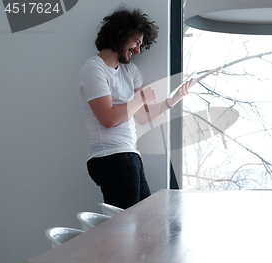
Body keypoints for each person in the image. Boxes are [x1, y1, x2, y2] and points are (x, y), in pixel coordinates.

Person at [78, 6, 193, 209]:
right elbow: (109, 119)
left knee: (143, 222)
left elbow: (142, 116)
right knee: (126, 230)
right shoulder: (93, 69)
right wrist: (141, 98)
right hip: (110, 158)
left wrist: (175, 99)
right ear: (121, 35)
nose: (138, 50)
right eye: (136, 42)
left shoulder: (130, 71)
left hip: (129, 155)